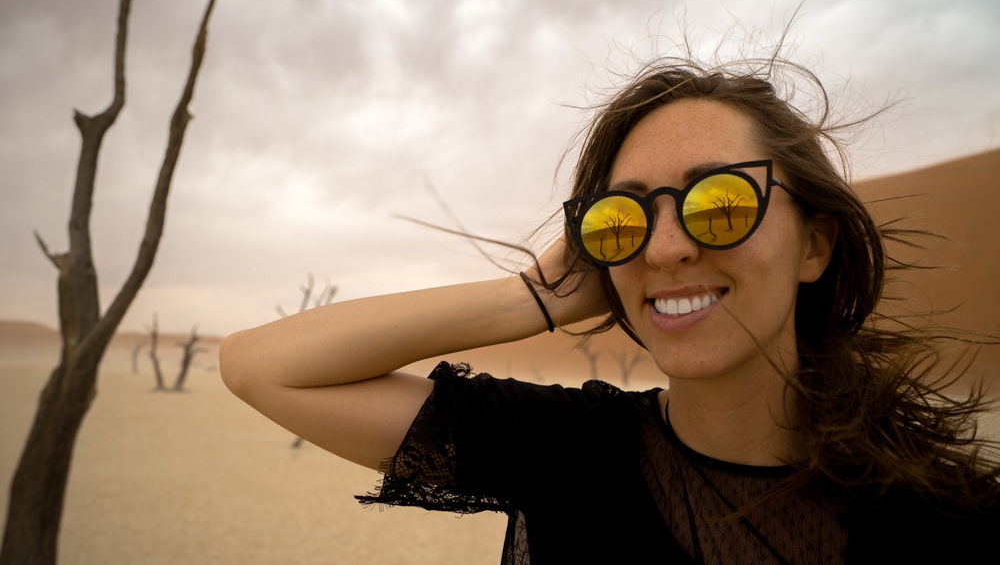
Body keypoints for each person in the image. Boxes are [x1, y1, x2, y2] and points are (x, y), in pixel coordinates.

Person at [220, 50, 1000, 563]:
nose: (663, 249)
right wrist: (532, 297)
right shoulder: (564, 451)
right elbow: (259, 367)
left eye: (719, 203)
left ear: (814, 245)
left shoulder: (943, 518)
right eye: (622, 220)